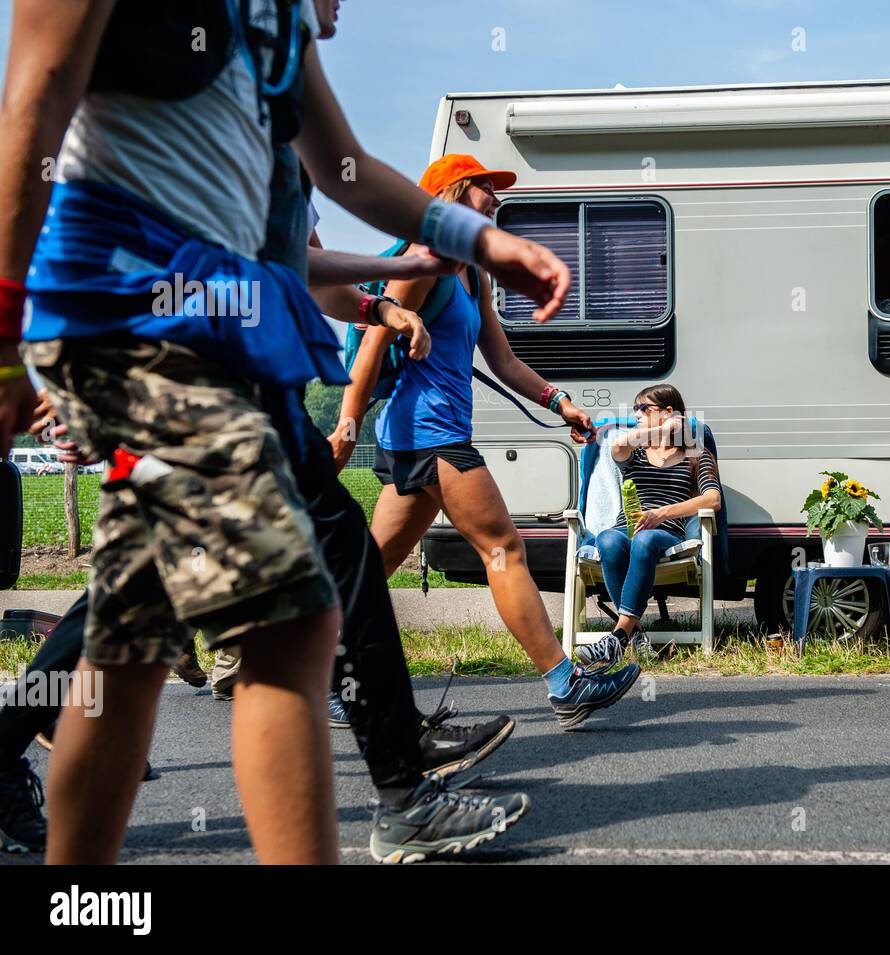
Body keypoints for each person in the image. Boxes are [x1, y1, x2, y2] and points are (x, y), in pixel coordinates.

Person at [0, 0, 569, 864]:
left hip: (235, 331)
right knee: (292, 625)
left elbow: (344, 169)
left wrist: (476, 241)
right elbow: (32, 104)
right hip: (138, 309)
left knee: (129, 644)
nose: (339, 6)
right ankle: (401, 790)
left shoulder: (272, 24)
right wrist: (5, 336)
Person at [335, 153, 643, 730]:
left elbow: (501, 359)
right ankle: (564, 683)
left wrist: (560, 402)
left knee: (371, 568)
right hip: (430, 434)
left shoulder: (471, 274)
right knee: (504, 548)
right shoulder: (422, 263)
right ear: (454, 193)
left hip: (424, 437)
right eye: (487, 190)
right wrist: (346, 428)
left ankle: (327, 675)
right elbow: (377, 339)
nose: (497, 201)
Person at [578, 384, 722, 670]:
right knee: (607, 540)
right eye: (635, 409)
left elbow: (713, 499)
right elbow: (617, 447)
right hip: (625, 527)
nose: (636, 415)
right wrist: (663, 430)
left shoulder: (696, 454)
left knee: (643, 542)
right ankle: (634, 633)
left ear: (670, 411)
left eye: (644, 409)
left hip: (665, 531)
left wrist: (661, 514)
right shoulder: (637, 451)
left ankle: (618, 636)